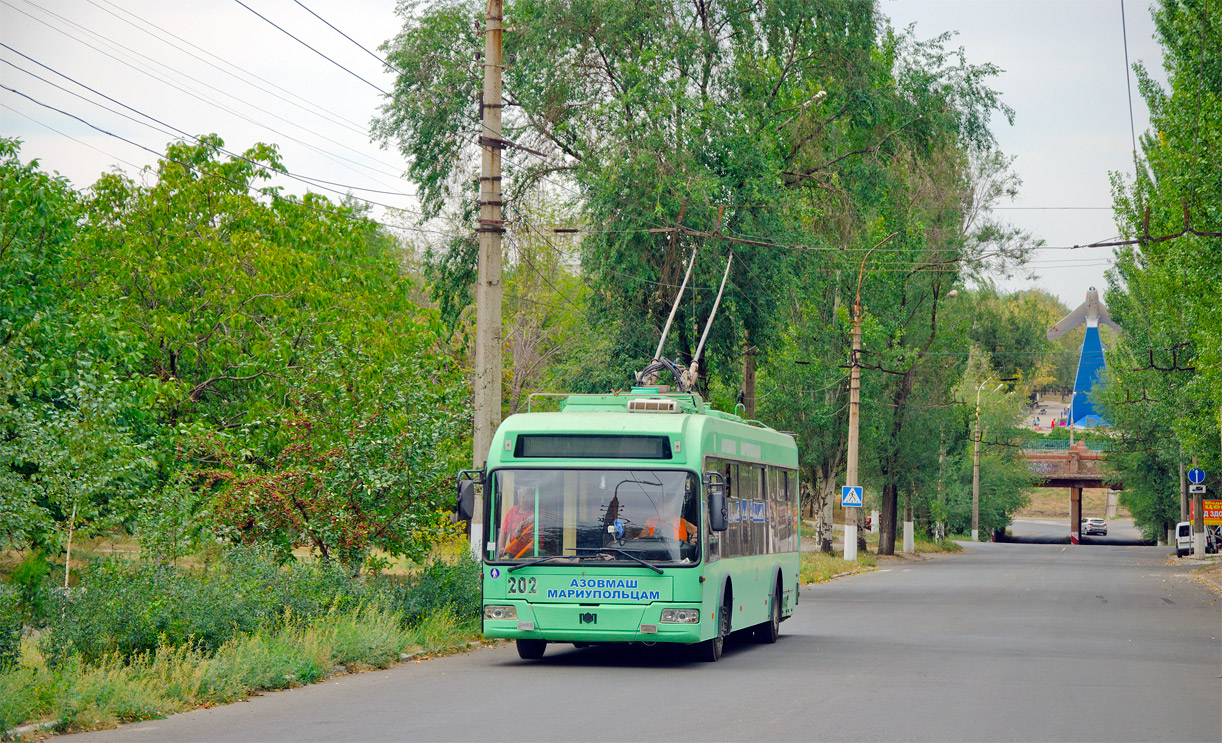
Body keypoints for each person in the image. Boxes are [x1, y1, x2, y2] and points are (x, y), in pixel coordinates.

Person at [499, 490, 535, 559]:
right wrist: (501, 548)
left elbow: (537, 516)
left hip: (532, 553)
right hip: (514, 554)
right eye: (521, 497)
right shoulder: (512, 511)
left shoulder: (536, 509)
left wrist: (521, 525)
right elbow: (504, 531)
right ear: (518, 498)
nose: (524, 500)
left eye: (526, 497)